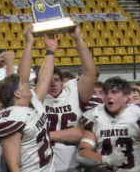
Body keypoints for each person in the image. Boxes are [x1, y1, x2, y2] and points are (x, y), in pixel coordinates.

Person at [0, 26, 57, 172]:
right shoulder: (11, 119)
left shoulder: (31, 102)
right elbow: (13, 166)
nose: (27, 84)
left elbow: (44, 80)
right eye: (23, 84)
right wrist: (28, 44)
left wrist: (50, 51)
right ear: (17, 93)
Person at [38, 24, 97, 172]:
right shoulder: (35, 96)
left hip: (71, 163)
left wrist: (78, 38)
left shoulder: (72, 91)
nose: (53, 84)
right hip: (41, 163)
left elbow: (90, 73)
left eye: (57, 80)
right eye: (49, 80)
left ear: (62, 82)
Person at [78, 77, 140, 172]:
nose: (109, 96)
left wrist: (134, 171)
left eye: (114, 92)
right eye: (106, 92)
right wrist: (106, 160)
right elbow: (82, 153)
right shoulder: (94, 115)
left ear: (126, 97)